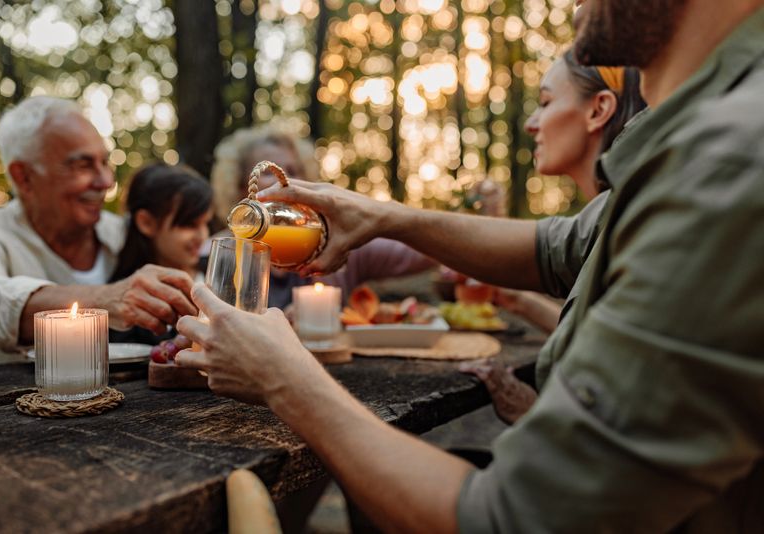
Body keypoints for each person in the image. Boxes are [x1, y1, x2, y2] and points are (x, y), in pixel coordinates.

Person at [176, 0, 764, 530]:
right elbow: (552, 248)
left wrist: (286, 379)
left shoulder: (727, 160)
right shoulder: (695, 145)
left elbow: (518, 519)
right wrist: (380, 215)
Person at [463, 47, 647, 422]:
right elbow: (594, 333)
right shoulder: (614, 215)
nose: (532, 123)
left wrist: (530, 412)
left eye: (545, 102)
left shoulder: (635, 220)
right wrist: (523, 302)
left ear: (598, 110)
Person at [0, 97, 196, 368]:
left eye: (105, 163)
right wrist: (104, 300)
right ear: (23, 177)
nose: (106, 182)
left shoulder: (124, 234)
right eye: (83, 165)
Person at [210, 128, 436, 308]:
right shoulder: (216, 253)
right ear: (240, 187)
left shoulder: (335, 241)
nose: (285, 180)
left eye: (293, 170)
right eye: (270, 173)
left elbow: (424, 251)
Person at [108, 162, 214, 345]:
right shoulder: (126, 301)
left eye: (206, 223)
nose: (202, 235)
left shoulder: (222, 276)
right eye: (189, 224)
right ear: (146, 222)